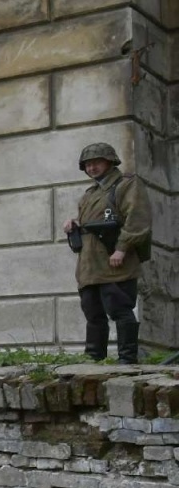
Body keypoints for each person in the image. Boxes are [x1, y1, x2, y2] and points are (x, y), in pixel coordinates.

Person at [64, 142, 152, 364]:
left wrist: (122, 249)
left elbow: (137, 219)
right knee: (92, 313)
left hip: (114, 260)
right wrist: (74, 222)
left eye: (96, 162)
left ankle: (127, 359)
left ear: (110, 162)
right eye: (88, 164)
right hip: (90, 263)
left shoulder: (126, 185)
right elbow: (94, 221)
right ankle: (94, 358)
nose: (92, 168)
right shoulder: (90, 194)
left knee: (120, 308)